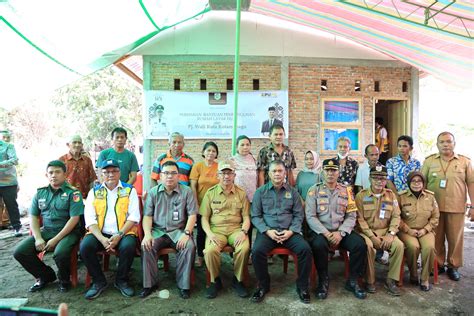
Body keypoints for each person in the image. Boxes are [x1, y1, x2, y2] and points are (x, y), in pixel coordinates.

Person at [13, 160, 83, 293]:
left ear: (65, 174)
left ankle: (64, 279)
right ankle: (46, 275)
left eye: (58, 172)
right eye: (51, 172)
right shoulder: (40, 193)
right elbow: (33, 217)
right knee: (20, 251)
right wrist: (38, 238)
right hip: (47, 231)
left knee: (60, 253)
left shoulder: (73, 193)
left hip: (68, 232)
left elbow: (74, 219)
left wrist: (56, 240)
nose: (54, 175)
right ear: (46, 175)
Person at [250, 160, 312, 304]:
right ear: (269, 174)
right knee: (257, 251)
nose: (277, 174)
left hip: (289, 232)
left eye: (280, 171)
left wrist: (291, 231)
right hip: (268, 232)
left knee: (305, 250)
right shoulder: (260, 192)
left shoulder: (293, 192)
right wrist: (267, 231)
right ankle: (263, 285)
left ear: (285, 173)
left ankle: (302, 286)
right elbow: (255, 216)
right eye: (274, 171)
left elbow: (298, 215)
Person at [305, 158, 367, 300]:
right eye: (327, 170)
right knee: (318, 245)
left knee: (359, 245)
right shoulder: (313, 190)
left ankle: (352, 280)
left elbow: (352, 215)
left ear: (339, 172)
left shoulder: (347, 191)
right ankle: (323, 280)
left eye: (333, 170)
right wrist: (327, 234)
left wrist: (341, 232)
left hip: (341, 231)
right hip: (321, 231)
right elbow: (310, 216)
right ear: (322, 172)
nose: (330, 173)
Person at [80, 159, 140, 299]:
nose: (110, 174)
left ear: (120, 173)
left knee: (129, 247)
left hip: (124, 232)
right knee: (85, 247)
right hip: (99, 233)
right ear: (101, 174)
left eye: (114, 171)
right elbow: (90, 220)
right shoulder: (94, 192)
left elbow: (134, 217)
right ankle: (99, 281)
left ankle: (121, 280)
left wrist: (119, 235)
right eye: (106, 172)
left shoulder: (129, 190)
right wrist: (102, 239)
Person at [140, 161, 197, 299]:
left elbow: (192, 215)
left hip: (179, 231)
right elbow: (147, 217)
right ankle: (149, 284)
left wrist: (187, 234)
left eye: (173, 173)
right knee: (147, 245)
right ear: (160, 176)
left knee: (188, 246)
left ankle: (184, 286)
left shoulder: (187, 192)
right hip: (158, 231)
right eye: (166, 173)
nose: (169, 176)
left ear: (178, 176)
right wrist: (147, 234)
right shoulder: (154, 193)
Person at [421, 132, 474, 281]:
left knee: (455, 239)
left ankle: (453, 266)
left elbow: (471, 183)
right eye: (442, 142)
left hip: (456, 207)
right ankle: (437, 264)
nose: (445, 144)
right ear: (437, 144)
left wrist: (473, 206)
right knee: (435, 238)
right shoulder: (429, 161)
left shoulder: (465, 162)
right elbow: (421, 183)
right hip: (434, 208)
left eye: (449, 141)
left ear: (454, 144)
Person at [200, 160, 251, 299]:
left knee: (244, 248)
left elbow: (246, 217)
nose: (226, 176)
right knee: (210, 250)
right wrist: (209, 234)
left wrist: (243, 232)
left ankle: (238, 280)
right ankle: (215, 281)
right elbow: (204, 218)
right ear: (218, 175)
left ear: (234, 175)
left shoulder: (241, 193)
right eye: (223, 173)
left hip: (236, 230)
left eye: (229, 173)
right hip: (216, 231)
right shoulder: (210, 193)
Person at [355, 165, 403, 296]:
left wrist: (391, 234)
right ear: (370, 179)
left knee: (399, 246)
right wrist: (371, 236)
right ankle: (370, 280)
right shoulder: (361, 196)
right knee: (369, 247)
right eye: (375, 178)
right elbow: (359, 220)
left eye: (382, 178)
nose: (379, 181)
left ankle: (391, 280)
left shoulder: (391, 195)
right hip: (367, 232)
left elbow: (396, 216)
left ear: (386, 180)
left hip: (386, 231)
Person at [398, 171, 439, 291]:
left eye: (419, 181)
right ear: (409, 183)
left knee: (429, 247)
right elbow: (396, 217)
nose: (416, 184)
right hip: (407, 231)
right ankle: (413, 273)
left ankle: (425, 278)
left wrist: (425, 230)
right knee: (413, 247)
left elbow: (435, 217)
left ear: (423, 183)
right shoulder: (401, 196)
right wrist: (408, 230)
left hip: (425, 230)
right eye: (413, 181)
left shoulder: (430, 197)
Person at [190, 141, 220, 267]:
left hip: (216, 204)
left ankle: (214, 253)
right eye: (208, 150)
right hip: (201, 203)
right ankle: (200, 256)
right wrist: (195, 203)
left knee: (215, 228)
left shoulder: (219, 166)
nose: (211, 153)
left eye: (213, 151)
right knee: (201, 231)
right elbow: (193, 186)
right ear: (203, 152)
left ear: (216, 154)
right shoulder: (198, 166)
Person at [228, 135, 258, 250]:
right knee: (236, 224)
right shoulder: (232, 160)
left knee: (248, 225)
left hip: (251, 199)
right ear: (237, 147)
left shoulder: (254, 159)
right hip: (236, 199)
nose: (245, 147)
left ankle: (247, 251)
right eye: (242, 144)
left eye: (247, 144)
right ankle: (234, 250)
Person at [0, 130, 19, 234]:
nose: (6, 139)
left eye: (8, 137)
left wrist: (1, 164)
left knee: (11, 205)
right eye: (4, 137)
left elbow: (14, 160)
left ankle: (17, 227)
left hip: (8, 182)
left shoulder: (9, 146)